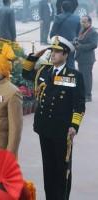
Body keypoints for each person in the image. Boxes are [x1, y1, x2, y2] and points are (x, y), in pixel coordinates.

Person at [22, 35, 85, 200]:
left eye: (57, 51)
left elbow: (79, 104)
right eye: (52, 51)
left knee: (62, 168)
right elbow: (25, 72)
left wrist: (74, 126)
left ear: (65, 54)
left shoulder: (73, 76)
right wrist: (35, 56)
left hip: (62, 130)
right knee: (48, 167)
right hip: (44, 127)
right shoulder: (44, 70)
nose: (53, 54)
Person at [50, 1, 80, 68]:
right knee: (71, 62)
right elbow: (78, 33)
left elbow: (52, 32)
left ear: (62, 8)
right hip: (72, 43)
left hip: (60, 44)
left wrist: (52, 40)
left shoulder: (58, 17)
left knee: (59, 62)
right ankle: (71, 76)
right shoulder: (77, 18)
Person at [74, 15, 98, 102]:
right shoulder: (82, 29)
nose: (82, 23)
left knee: (86, 77)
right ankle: (84, 93)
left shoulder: (93, 32)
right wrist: (76, 40)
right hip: (81, 57)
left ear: (89, 22)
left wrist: (81, 46)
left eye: (84, 22)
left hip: (87, 59)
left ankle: (88, 95)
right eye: (81, 21)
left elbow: (94, 44)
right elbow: (80, 38)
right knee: (83, 77)